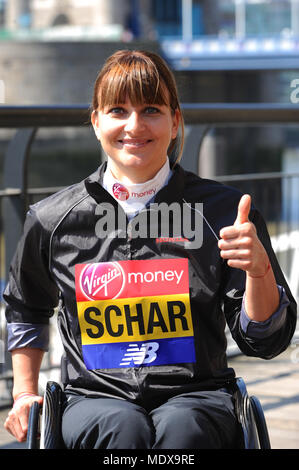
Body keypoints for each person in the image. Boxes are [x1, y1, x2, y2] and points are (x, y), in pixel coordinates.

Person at [4, 49, 297, 449]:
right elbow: (26, 306)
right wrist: (23, 393)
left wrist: (260, 272)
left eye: (152, 110)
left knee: (182, 430)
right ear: (95, 121)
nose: (134, 125)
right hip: (93, 397)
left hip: (197, 396)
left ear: (176, 122)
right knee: (121, 430)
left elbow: (263, 341)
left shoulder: (226, 212)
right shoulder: (52, 219)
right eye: (118, 110)